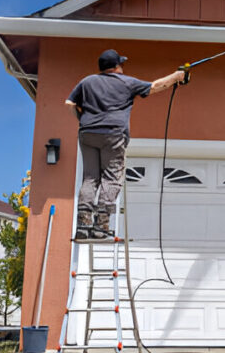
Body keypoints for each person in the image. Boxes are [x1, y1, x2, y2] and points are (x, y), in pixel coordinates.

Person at [66, 49, 185, 240]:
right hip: (113, 134)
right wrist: (177, 76)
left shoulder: (87, 81)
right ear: (116, 67)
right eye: (121, 64)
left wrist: (83, 120)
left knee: (90, 178)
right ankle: (100, 226)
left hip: (87, 133)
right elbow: (156, 86)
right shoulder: (126, 82)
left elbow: (70, 104)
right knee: (111, 178)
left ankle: (83, 223)